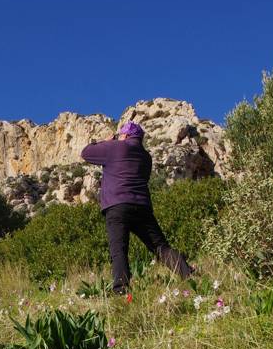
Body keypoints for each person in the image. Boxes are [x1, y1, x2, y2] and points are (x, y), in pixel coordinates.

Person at [81, 121, 194, 293]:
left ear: (125, 135)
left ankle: (121, 289)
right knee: (160, 247)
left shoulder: (114, 147)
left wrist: (106, 141)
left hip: (117, 206)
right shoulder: (146, 157)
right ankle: (188, 275)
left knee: (118, 249)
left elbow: (86, 153)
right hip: (142, 206)